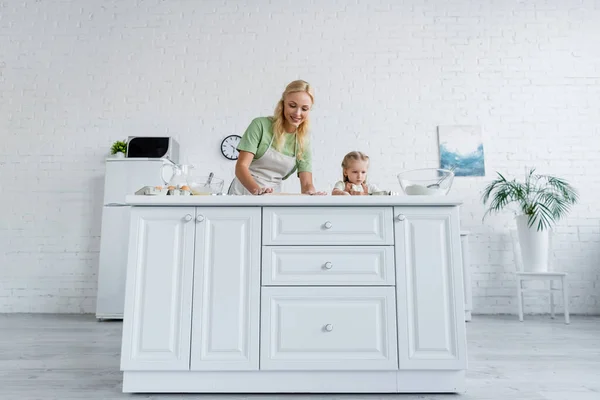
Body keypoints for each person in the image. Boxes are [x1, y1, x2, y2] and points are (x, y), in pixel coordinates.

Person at [227, 80, 326, 195]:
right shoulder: (260, 125)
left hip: (272, 197)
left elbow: (306, 184)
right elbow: (241, 167)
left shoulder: (303, 141)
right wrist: (258, 191)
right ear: (283, 104)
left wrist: (312, 195)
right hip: (242, 193)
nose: (298, 113)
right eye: (292, 106)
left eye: (304, 109)